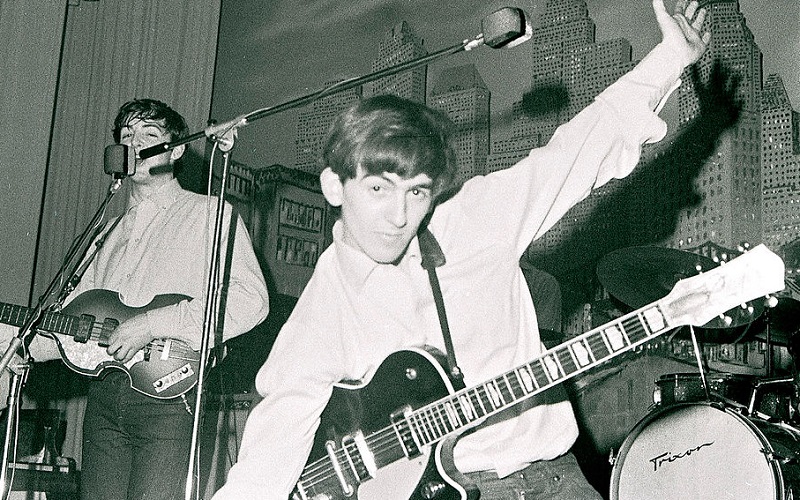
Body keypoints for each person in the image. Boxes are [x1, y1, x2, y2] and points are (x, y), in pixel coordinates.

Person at [212, 1, 711, 499]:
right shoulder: (332, 289)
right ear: (335, 187)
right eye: (379, 190)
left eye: (417, 192)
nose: (399, 217)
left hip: (552, 478)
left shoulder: (474, 221)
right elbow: (283, 417)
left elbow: (577, 151)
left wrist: (671, 58)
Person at [8, 98, 270, 500]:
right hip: (105, 397)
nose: (135, 143)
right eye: (127, 136)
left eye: (150, 135)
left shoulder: (210, 214)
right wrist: (19, 342)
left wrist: (153, 324)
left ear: (177, 149)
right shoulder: (105, 232)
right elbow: (70, 321)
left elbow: (251, 301)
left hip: (171, 396)